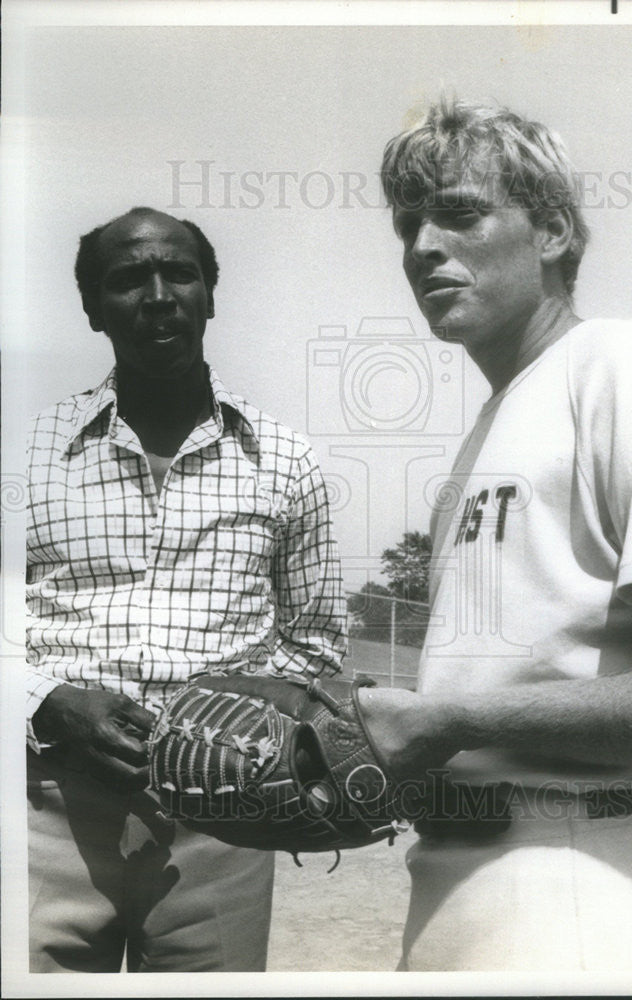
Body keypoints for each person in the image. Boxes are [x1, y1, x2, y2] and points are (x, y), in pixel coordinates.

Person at [356, 100, 632, 971]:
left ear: (554, 231)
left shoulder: (624, 365)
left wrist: (450, 720)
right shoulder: (488, 429)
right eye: (409, 224)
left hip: (575, 876)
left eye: (459, 212)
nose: (422, 246)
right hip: (460, 876)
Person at [26, 206, 346, 972]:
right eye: (129, 278)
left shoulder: (287, 461)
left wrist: (224, 730)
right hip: (44, 812)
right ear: (92, 308)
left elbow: (314, 643)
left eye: (181, 273)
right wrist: (48, 702)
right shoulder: (26, 453)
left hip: (224, 822)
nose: (159, 294)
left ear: (210, 294)